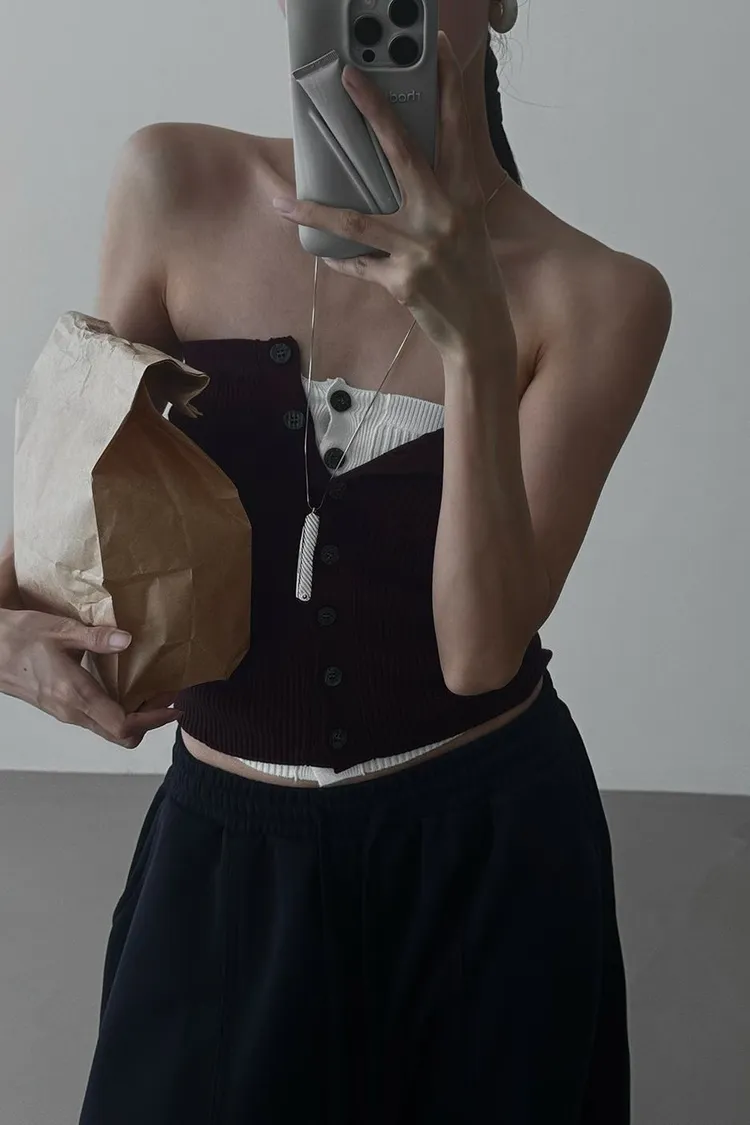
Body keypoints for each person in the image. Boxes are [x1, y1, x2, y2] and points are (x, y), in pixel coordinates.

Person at [0, 1, 672, 1121]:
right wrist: (9, 635)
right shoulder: (175, 186)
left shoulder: (603, 296)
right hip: (224, 857)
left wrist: (476, 340)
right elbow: (77, 516)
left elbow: (477, 652)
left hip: (487, 870)